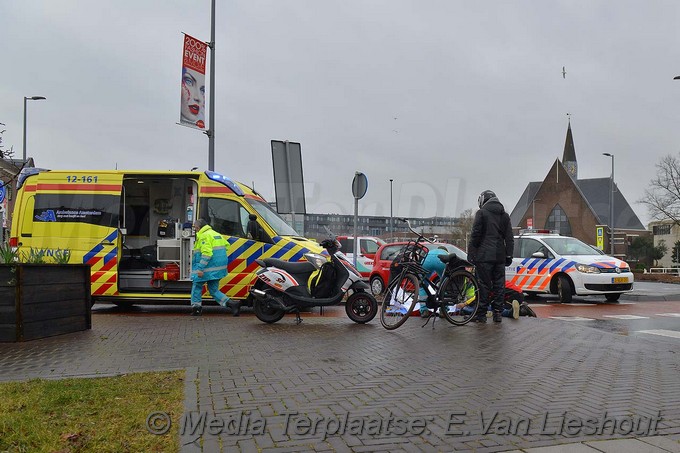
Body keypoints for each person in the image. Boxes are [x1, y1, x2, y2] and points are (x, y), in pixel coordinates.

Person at [468, 190, 514, 323]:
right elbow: (509, 238)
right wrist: (509, 254)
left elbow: (476, 234)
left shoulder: (482, 213)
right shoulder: (504, 215)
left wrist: (471, 253)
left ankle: (481, 314)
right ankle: (498, 313)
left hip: (484, 256)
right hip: (499, 256)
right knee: (499, 285)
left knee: (483, 285)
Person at [191, 218, 240, 316]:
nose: (195, 230)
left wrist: (200, 268)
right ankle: (232, 304)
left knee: (197, 285)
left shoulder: (204, 236)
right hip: (218, 268)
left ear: (199, 227)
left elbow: (207, 254)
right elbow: (227, 246)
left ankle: (196, 308)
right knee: (213, 290)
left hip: (206, 268)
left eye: (195, 228)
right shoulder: (215, 234)